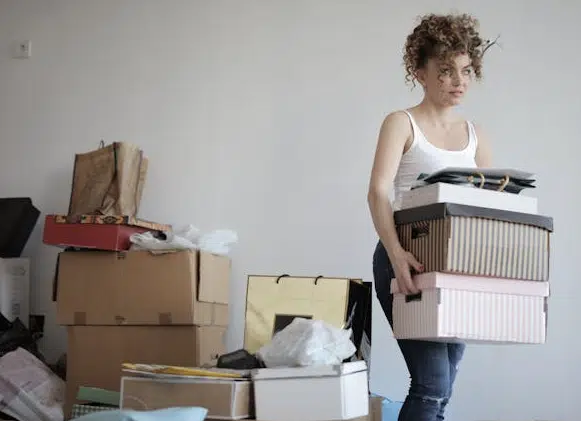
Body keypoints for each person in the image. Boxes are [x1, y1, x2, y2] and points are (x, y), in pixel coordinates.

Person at [367, 13, 494, 421]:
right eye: (444, 71)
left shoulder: (475, 135)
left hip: (455, 265)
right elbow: (378, 191)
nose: (458, 81)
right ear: (420, 72)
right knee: (432, 383)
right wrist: (396, 253)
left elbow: (488, 207)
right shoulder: (401, 123)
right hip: (406, 257)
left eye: (465, 70)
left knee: (444, 384)